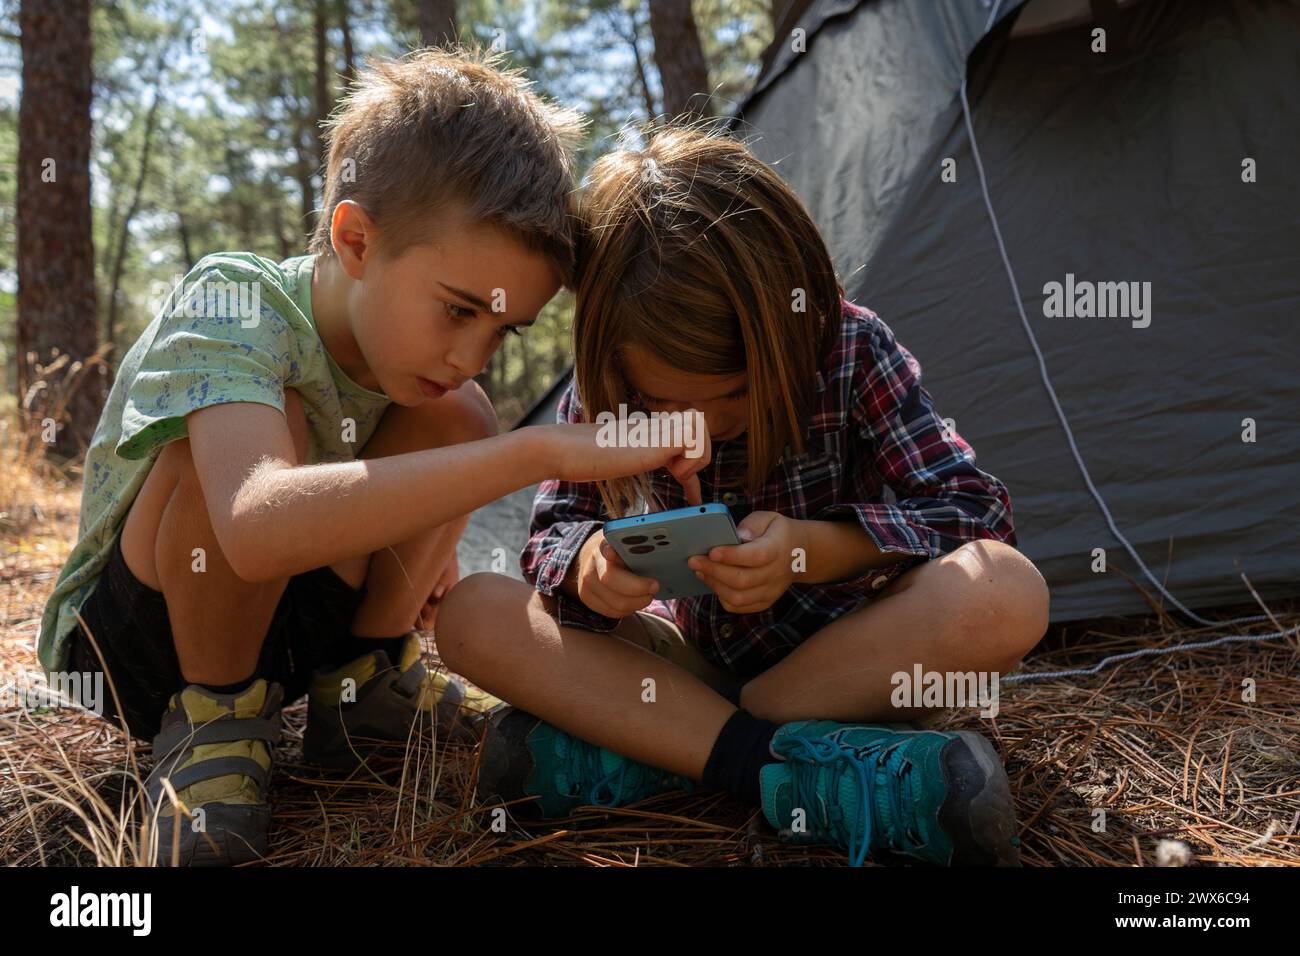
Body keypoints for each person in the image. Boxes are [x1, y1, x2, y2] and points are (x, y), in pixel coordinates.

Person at [37, 47, 705, 867]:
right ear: (356, 239)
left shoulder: (421, 371)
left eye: (501, 329)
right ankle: (212, 723)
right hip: (138, 647)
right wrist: (535, 450)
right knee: (249, 432)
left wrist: (426, 548)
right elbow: (252, 526)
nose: (473, 353)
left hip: (289, 625)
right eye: (458, 311)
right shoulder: (233, 299)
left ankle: (359, 690)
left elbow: (397, 475)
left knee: (460, 417)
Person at [437, 125, 1050, 867]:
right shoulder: (608, 387)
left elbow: (974, 509)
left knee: (1006, 590)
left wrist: (816, 551)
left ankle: (673, 752)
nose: (701, 425)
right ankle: (794, 766)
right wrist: (592, 567)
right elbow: (552, 534)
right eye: (662, 402)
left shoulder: (851, 349)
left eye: (732, 394)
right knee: (474, 615)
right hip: (682, 662)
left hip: (849, 666)